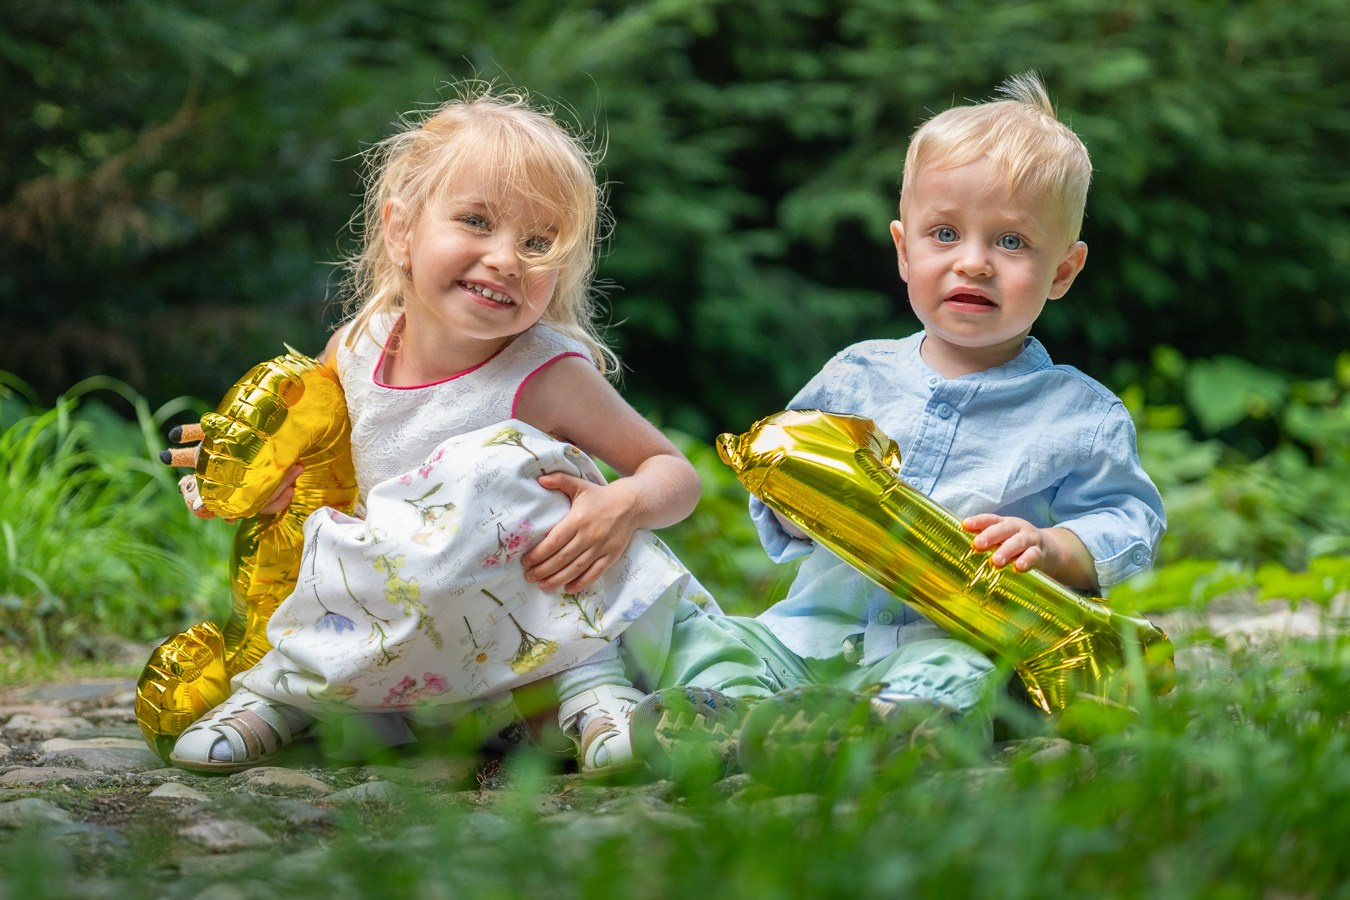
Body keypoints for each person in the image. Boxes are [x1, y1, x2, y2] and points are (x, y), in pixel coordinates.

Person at [168, 83, 742, 776]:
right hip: (395, 640)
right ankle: (284, 697)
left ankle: (594, 700)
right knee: (335, 548)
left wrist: (622, 505)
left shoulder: (545, 372)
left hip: (529, 640)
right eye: (475, 221)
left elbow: (671, 473)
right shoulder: (356, 348)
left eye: (537, 242)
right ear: (401, 231)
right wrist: (261, 480)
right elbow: (317, 473)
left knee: (493, 467)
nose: (506, 258)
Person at [638, 71, 1167, 784]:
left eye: (1011, 241)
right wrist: (803, 506)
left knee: (962, 672)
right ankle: (731, 718)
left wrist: (1052, 545)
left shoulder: (1079, 413)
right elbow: (784, 488)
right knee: (718, 634)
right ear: (903, 250)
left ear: (1063, 271)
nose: (973, 261)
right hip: (815, 628)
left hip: (948, 637)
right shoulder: (854, 376)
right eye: (944, 233)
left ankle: (892, 729)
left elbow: (1129, 518)